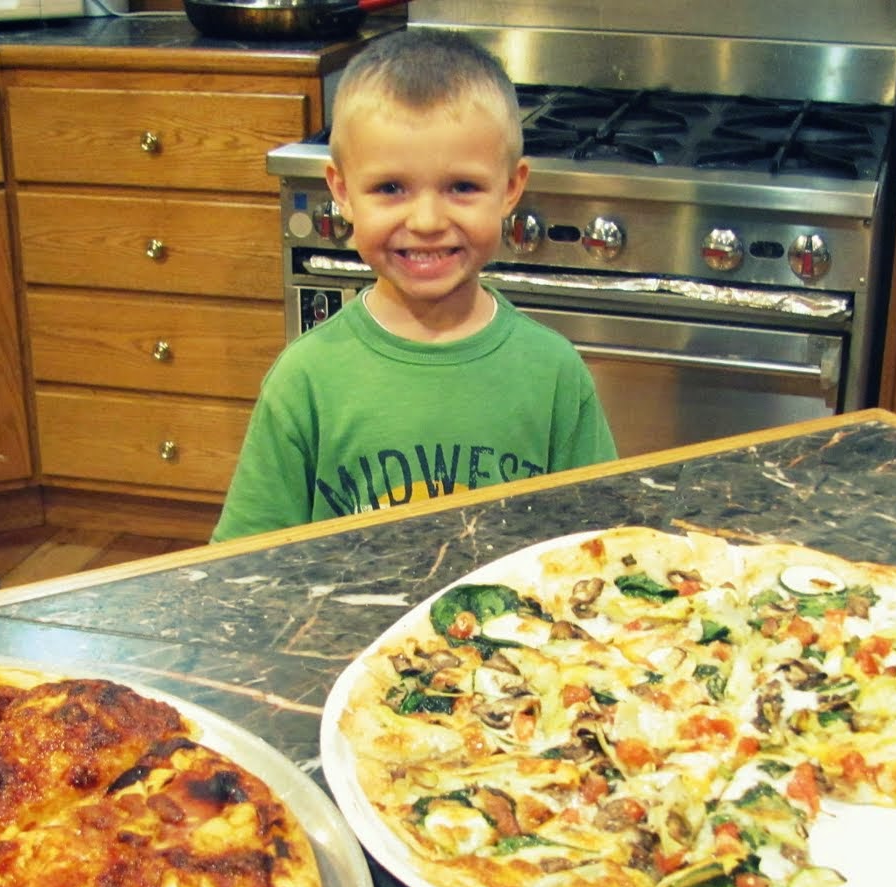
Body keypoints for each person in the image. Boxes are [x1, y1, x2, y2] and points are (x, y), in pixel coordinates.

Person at [210, 29, 617, 542]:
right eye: (390, 188)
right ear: (342, 191)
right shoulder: (304, 381)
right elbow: (243, 562)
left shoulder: (555, 374)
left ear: (511, 188)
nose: (426, 221)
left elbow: (599, 542)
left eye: (462, 187)